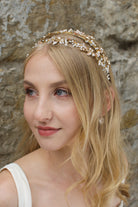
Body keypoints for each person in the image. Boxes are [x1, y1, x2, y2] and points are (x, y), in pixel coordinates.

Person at [0, 29, 129, 207]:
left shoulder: (113, 171)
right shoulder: (8, 193)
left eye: (61, 92)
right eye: (31, 92)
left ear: (103, 102)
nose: (39, 114)